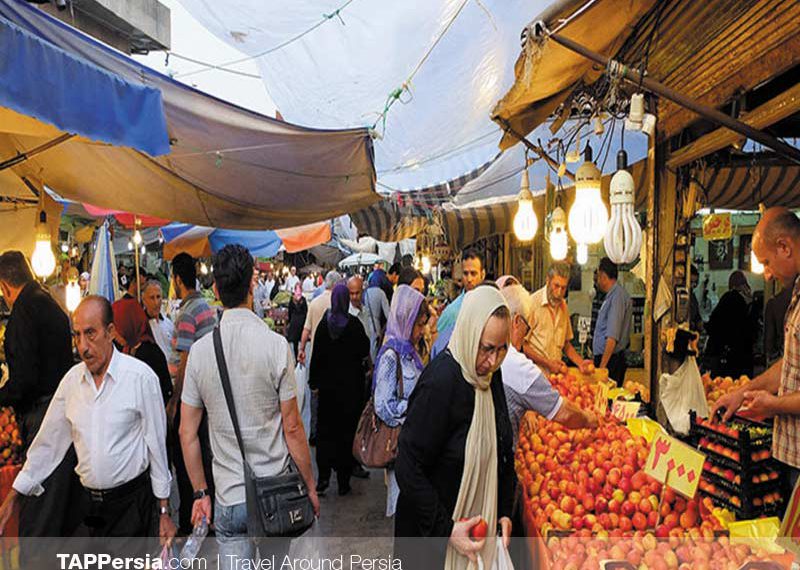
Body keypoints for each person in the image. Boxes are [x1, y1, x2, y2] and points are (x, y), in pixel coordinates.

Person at [179, 245, 318, 568]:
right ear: (252, 286)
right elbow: (293, 427)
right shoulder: (275, 345)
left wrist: (201, 493)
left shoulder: (200, 353)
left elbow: (187, 433)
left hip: (229, 496)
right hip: (275, 493)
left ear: (215, 290)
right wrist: (310, 485)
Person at [0, 296, 175, 544]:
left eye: (90, 333)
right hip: (88, 507)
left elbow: (157, 448)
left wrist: (164, 511)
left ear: (111, 332)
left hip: (132, 507)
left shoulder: (140, 379)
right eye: (77, 335)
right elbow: (47, 444)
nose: (82, 346)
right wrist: (13, 498)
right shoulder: (71, 383)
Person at [395, 286, 514, 570]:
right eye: (486, 348)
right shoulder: (441, 383)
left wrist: (504, 510)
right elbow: (408, 466)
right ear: (469, 333)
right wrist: (447, 530)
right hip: (428, 545)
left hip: (475, 538)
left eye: (502, 349)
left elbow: (502, 448)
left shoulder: (489, 377)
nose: (493, 361)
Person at [713, 208, 800, 488]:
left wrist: (774, 404)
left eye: (766, 262)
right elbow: (789, 366)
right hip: (791, 456)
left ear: (784, 246)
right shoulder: (796, 295)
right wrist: (742, 393)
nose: (766, 274)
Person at [0, 251, 78, 554]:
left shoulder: (23, 312)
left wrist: (4, 396)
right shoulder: (50, 305)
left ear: (5, 286)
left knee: (39, 500)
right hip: (62, 409)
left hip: (42, 415)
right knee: (59, 500)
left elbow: (25, 382)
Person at [500, 284, 597, 445]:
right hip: (500, 457)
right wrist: (588, 419)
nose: (525, 336)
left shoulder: (488, 354)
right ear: (517, 321)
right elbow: (563, 413)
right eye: (527, 328)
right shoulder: (516, 364)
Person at [168, 252, 217, 535]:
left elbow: (185, 362)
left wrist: (175, 401)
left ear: (176, 279)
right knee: (204, 452)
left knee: (186, 451)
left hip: (193, 394)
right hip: (207, 391)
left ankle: (194, 513)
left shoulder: (188, 313)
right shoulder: (205, 306)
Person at [309, 284, 370, 496]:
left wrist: (314, 384)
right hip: (350, 394)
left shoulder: (324, 326)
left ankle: (323, 478)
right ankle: (343, 482)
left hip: (328, 393)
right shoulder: (354, 325)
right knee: (345, 435)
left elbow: (315, 356)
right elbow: (365, 350)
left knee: (326, 434)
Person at [373, 285, 428, 516]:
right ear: (405, 319)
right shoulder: (390, 355)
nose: (422, 331)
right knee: (404, 512)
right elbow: (383, 405)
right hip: (400, 447)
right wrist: (415, 407)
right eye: (419, 324)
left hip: (413, 444)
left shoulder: (411, 353)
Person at [525, 263, 594, 375]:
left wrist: (580, 363)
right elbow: (523, 345)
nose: (559, 293)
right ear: (548, 280)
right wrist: (547, 363)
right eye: (556, 286)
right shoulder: (532, 303)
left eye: (563, 288)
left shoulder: (563, 307)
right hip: (535, 376)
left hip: (556, 377)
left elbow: (566, 344)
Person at [114, 300, 173, 405]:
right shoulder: (128, 348)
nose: (114, 335)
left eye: (117, 328)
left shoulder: (149, 354)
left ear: (128, 324)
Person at [431, 249, 486, 359]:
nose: (469, 279)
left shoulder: (488, 305)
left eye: (473, 273)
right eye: (465, 273)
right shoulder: (452, 312)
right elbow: (437, 348)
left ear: (482, 274)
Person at [705, 270, 755, 378]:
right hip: (742, 356)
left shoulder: (728, 298)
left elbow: (712, 325)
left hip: (725, 355)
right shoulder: (749, 301)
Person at [592, 257, 633, 383]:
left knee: (609, 399)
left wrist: (602, 367)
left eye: (599, 276)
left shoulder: (617, 297)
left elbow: (612, 337)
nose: (598, 281)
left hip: (611, 361)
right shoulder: (611, 296)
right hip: (608, 358)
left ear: (603, 276)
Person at [348, 275, 381, 363]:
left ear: (362, 292)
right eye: (351, 293)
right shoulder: (347, 314)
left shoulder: (365, 310)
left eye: (357, 293)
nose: (354, 297)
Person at [142, 279, 175, 362]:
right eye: (152, 298)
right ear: (144, 300)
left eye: (158, 297)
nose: (156, 302)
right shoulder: (142, 325)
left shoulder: (168, 323)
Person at [765, 281, 795, 365]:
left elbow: (769, 337)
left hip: (779, 354)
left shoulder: (773, 302)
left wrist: (770, 356)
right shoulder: (795, 301)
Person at [286, 283, 308, 358]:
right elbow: (306, 312)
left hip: (294, 322)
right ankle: (301, 356)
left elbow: (289, 312)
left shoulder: (292, 300)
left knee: (295, 342)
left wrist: (289, 322)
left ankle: (296, 357)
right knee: (302, 341)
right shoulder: (303, 300)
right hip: (301, 322)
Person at [689, 265, 704, 333]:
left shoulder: (692, 296)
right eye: (691, 282)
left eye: (695, 282)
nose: (693, 285)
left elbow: (697, 314)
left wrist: (699, 322)